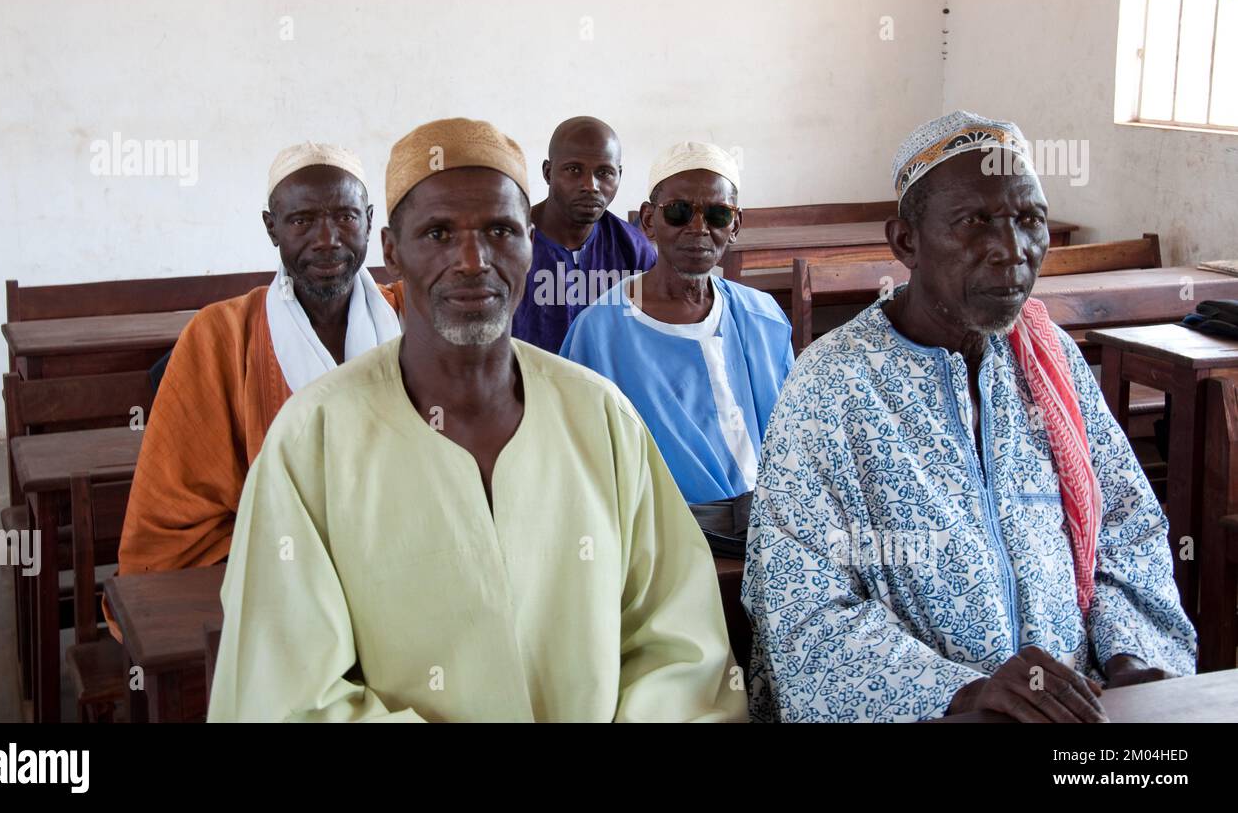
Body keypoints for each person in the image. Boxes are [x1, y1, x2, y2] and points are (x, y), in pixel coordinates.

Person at [208, 118, 745, 722]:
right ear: (392, 251)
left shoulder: (600, 416)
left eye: (499, 230)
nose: (472, 260)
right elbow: (287, 692)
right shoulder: (311, 441)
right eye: (438, 233)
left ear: (528, 244)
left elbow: (679, 650)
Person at [743, 111, 1196, 723]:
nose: (1011, 252)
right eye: (973, 222)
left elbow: (1124, 524)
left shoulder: (1046, 355)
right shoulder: (833, 386)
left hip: (1078, 711)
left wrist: (1132, 658)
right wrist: (960, 694)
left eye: (1028, 219)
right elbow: (801, 607)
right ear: (906, 242)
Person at [111, 143, 401, 615]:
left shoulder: (409, 318)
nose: (327, 238)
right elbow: (178, 513)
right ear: (272, 228)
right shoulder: (218, 335)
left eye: (346, 217)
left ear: (369, 220)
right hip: (274, 574)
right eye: (302, 220)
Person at [561, 140, 792, 516]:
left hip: (775, 520)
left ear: (735, 226)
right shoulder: (599, 332)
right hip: (667, 532)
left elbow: (795, 434)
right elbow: (582, 466)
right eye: (680, 212)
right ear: (650, 220)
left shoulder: (762, 315)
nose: (698, 228)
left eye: (717, 214)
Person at [512, 116, 654, 351]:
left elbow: (647, 339)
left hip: (608, 385)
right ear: (548, 172)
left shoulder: (633, 248)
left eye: (604, 173)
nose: (591, 185)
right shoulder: (509, 243)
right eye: (574, 169)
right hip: (528, 384)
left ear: (619, 175)